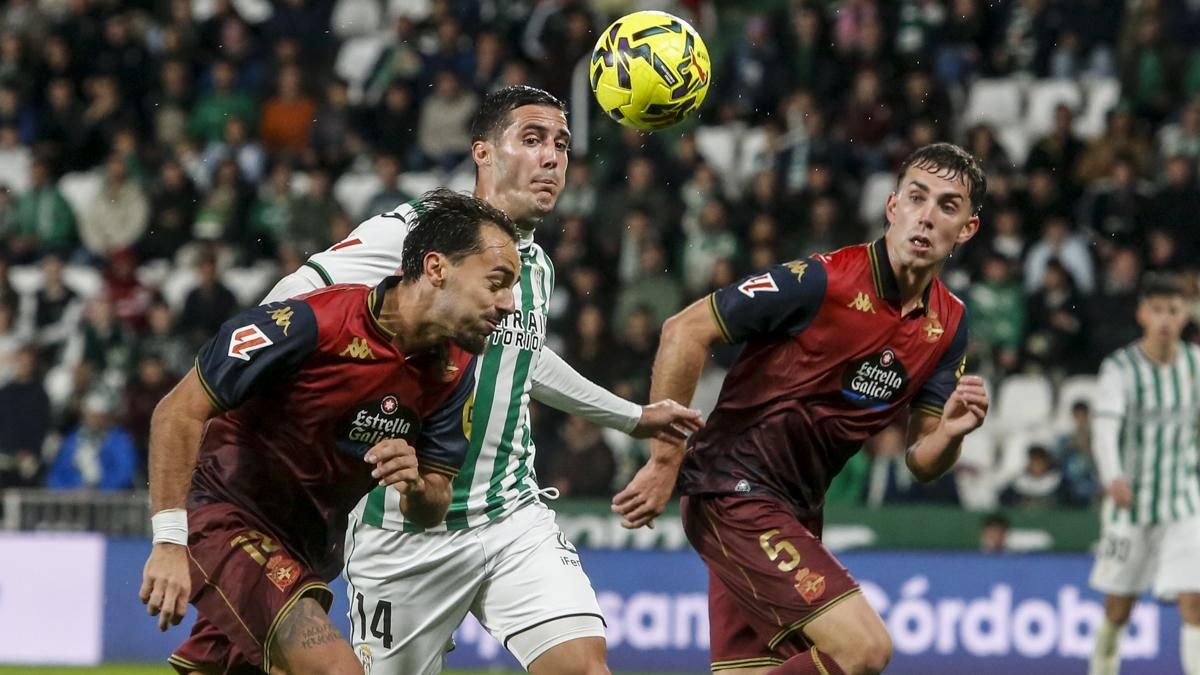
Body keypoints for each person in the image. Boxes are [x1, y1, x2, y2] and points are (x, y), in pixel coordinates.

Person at [263, 85, 702, 674]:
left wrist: (631, 417)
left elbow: (524, 358)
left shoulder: (535, 265)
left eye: (562, 144)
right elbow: (283, 308)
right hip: (402, 531)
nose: (552, 157)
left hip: (510, 513)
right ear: (483, 153)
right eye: (533, 139)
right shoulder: (410, 237)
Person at [613, 143, 992, 675]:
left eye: (947, 206)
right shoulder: (821, 280)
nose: (926, 216)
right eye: (916, 198)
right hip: (734, 491)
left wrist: (951, 433)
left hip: (796, 512)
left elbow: (921, 460)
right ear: (892, 206)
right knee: (863, 650)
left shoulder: (949, 324)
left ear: (967, 229)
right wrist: (663, 459)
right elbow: (684, 331)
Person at [140, 189, 521, 675]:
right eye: (497, 282)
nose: (509, 303)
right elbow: (177, 411)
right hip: (224, 519)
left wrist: (415, 485)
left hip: (307, 550)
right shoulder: (311, 323)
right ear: (436, 267)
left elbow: (433, 504)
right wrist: (170, 542)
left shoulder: (455, 370)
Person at [1088, 275, 1200, 675]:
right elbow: (1104, 428)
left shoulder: (1196, 363)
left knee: (1195, 600)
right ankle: (1102, 668)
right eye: (1157, 310)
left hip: (1184, 503)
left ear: (1184, 314)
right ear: (1142, 314)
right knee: (1119, 609)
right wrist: (1112, 475)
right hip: (1130, 505)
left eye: (1173, 310)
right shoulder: (1120, 368)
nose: (1165, 319)